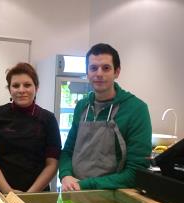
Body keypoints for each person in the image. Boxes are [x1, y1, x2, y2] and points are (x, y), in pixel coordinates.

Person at [59, 43, 152, 191]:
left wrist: (85, 185)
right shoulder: (82, 106)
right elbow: (67, 151)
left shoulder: (136, 109)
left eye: (106, 68)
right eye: (93, 68)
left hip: (113, 200)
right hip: (76, 194)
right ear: (87, 72)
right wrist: (65, 175)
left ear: (117, 72)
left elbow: (136, 172)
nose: (99, 73)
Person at [0, 63, 61, 193]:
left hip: (37, 193)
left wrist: (30, 194)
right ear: (9, 90)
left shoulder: (48, 119)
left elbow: (52, 164)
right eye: (15, 85)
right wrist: (8, 191)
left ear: (37, 88)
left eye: (27, 85)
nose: (21, 90)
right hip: (0, 192)